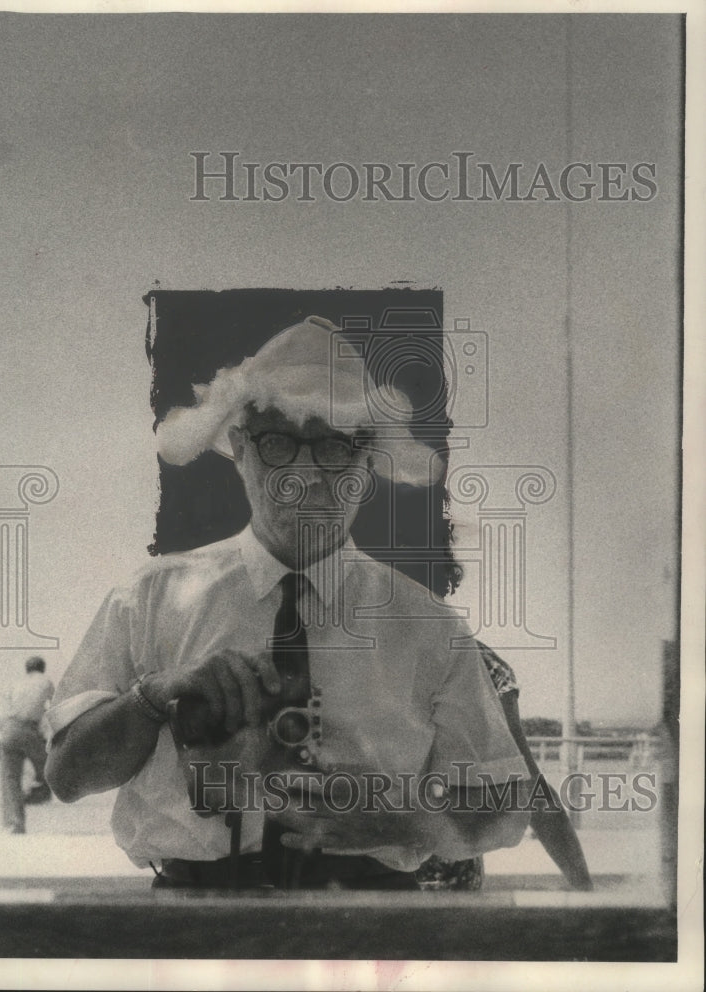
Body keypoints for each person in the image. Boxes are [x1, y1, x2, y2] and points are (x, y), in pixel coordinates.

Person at [45, 315, 533, 889]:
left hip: (370, 925)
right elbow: (66, 777)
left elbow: (505, 804)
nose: (302, 476)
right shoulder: (150, 598)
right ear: (239, 449)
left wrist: (403, 819)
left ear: (367, 463)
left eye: (332, 447)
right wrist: (152, 698)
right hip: (191, 923)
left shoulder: (427, 625)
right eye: (278, 443)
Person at [416, 640, 593, 890]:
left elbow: (530, 789)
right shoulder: (474, 661)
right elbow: (533, 792)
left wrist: (585, 890)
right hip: (425, 878)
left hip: (436, 880)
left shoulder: (475, 662)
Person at [0, 655, 54, 834]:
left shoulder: (17, 682)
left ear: (27, 669)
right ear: (42, 668)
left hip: (9, 730)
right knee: (48, 771)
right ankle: (34, 796)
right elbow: (54, 708)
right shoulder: (46, 682)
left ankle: (17, 823)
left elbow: (9, 706)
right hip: (29, 730)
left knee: (11, 780)